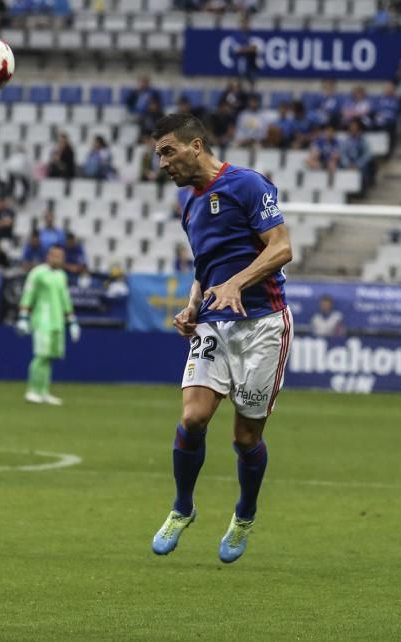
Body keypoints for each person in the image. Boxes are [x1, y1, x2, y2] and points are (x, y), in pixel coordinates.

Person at [148, 113, 293, 564]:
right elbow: (204, 267)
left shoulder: (248, 185)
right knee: (192, 418)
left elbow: (282, 247)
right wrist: (193, 305)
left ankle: (245, 513)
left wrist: (237, 284)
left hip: (264, 323)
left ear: (196, 145)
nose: (163, 163)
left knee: (247, 437)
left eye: (168, 151)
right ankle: (182, 507)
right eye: (158, 155)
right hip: (213, 321)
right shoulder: (188, 205)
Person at [16, 245, 80, 405]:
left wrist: (72, 321)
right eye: (55, 255)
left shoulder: (61, 275)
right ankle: (32, 390)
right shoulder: (38, 273)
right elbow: (28, 294)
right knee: (40, 356)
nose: (58, 259)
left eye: (61, 256)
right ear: (48, 256)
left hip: (57, 322)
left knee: (50, 357)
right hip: (42, 320)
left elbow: (65, 299)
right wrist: (23, 317)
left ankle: (44, 391)